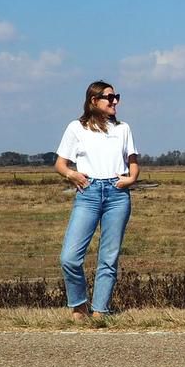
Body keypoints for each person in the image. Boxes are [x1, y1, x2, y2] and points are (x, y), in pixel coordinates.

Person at [54, 80, 139, 320]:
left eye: (116, 97)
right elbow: (60, 164)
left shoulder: (123, 129)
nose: (115, 102)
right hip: (88, 193)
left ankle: (100, 312)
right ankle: (79, 305)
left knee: (108, 257)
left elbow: (133, 162)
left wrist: (130, 179)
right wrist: (73, 175)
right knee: (69, 257)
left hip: (117, 194)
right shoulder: (76, 128)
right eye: (109, 97)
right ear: (94, 101)